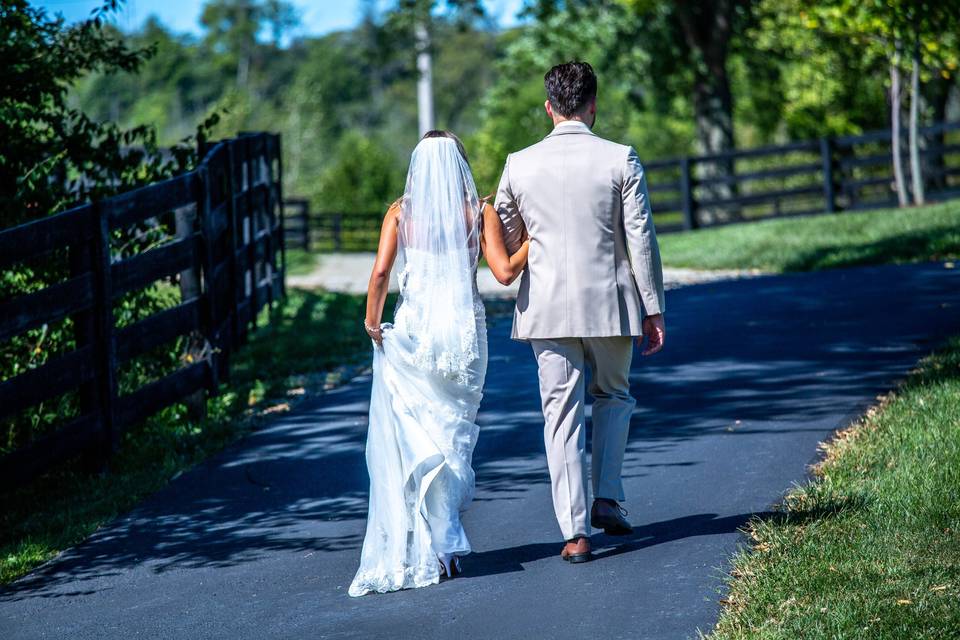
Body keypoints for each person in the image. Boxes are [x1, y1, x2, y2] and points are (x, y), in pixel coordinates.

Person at [493, 61, 666, 564]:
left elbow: (505, 238)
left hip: (545, 307)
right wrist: (652, 308)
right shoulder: (620, 158)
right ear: (593, 106)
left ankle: (574, 533)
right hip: (610, 302)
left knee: (560, 416)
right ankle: (607, 496)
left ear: (549, 107)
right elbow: (642, 240)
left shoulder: (518, 164)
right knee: (613, 394)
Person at [348, 130, 529, 596]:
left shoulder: (399, 214)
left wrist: (372, 322)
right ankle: (445, 545)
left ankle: (433, 545)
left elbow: (382, 273)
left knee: (419, 435)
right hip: (465, 337)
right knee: (454, 436)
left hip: (414, 334)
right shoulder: (478, 212)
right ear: (460, 166)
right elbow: (506, 272)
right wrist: (537, 239)